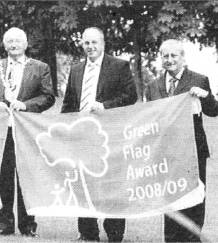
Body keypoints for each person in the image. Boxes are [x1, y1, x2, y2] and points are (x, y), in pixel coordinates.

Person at [0, 27, 55, 237]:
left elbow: (48, 97)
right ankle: (4, 225)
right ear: (4, 45)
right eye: (9, 41)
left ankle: (28, 226)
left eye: (18, 41)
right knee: (2, 179)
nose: (14, 45)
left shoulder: (40, 68)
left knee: (26, 179)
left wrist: (26, 105)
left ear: (25, 44)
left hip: (27, 133)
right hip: (1, 133)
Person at [61, 27, 137, 242]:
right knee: (83, 184)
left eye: (94, 42)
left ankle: (114, 232)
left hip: (110, 135)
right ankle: (87, 232)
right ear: (82, 45)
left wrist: (106, 106)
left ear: (103, 43)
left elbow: (131, 96)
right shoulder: (76, 70)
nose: (90, 47)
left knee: (112, 184)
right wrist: (64, 129)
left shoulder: (119, 66)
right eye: (86, 43)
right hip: (81, 137)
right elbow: (68, 104)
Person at [145, 39, 218, 242]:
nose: (169, 60)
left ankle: (193, 238)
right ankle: (171, 238)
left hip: (193, 151)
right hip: (166, 153)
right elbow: (148, 120)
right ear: (160, 58)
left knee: (195, 198)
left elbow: (214, 111)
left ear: (182, 58)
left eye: (173, 55)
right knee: (171, 197)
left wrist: (205, 96)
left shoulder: (199, 79)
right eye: (165, 56)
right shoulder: (152, 87)